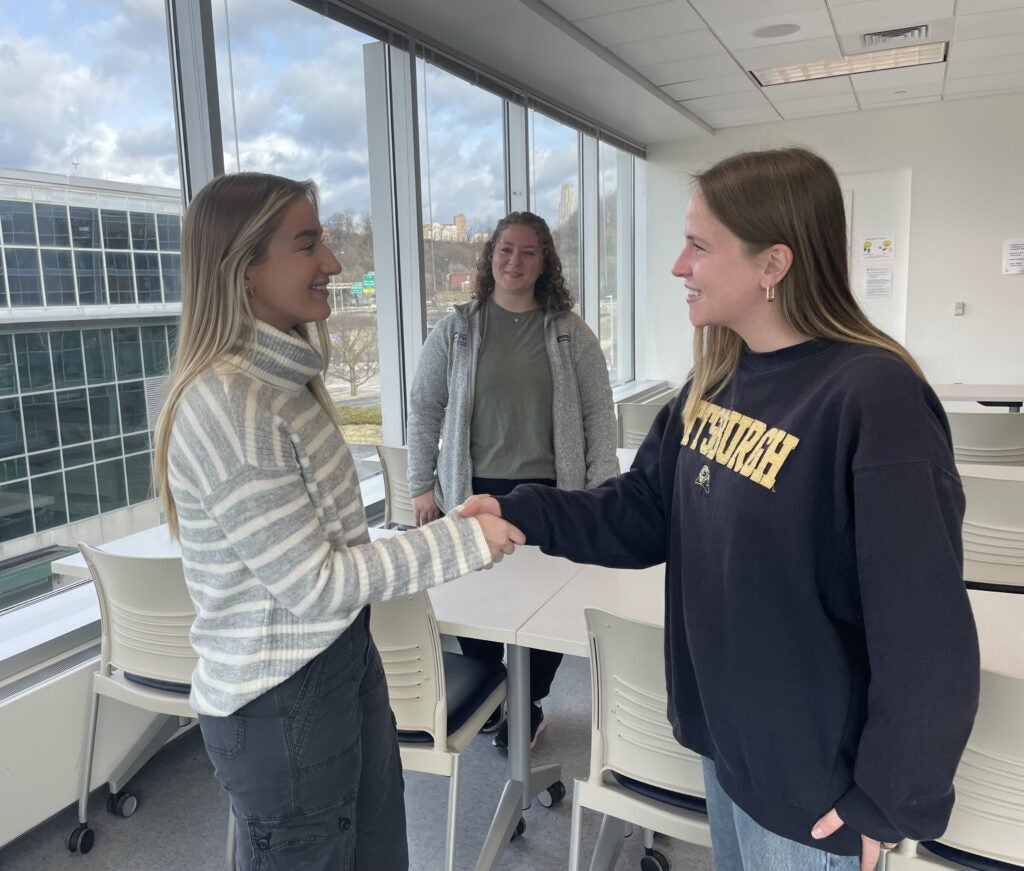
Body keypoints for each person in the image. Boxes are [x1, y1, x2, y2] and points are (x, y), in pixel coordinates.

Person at [460, 148, 980, 870]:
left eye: (699, 246)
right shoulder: (717, 379)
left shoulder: (872, 397)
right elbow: (642, 509)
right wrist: (525, 511)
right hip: (728, 749)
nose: (678, 265)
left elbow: (925, 630)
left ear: (773, 263)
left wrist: (891, 797)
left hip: (814, 790)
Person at [152, 172, 525, 871]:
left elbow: (329, 557)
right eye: (309, 243)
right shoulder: (230, 403)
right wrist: (459, 540)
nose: (332, 262)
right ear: (246, 269)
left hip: (340, 658)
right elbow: (316, 582)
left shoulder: (284, 383)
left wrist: (448, 531)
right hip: (280, 700)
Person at [407, 210, 618, 749]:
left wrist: (598, 493)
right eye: (505, 249)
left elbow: (599, 413)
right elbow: (425, 407)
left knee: (544, 606)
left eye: (528, 252)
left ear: (544, 262)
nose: (514, 261)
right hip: (473, 490)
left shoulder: (569, 332)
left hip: (549, 493)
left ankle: (530, 701)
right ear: (489, 256)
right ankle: (495, 698)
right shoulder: (457, 329)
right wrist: (420, 485)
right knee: (477, 605)